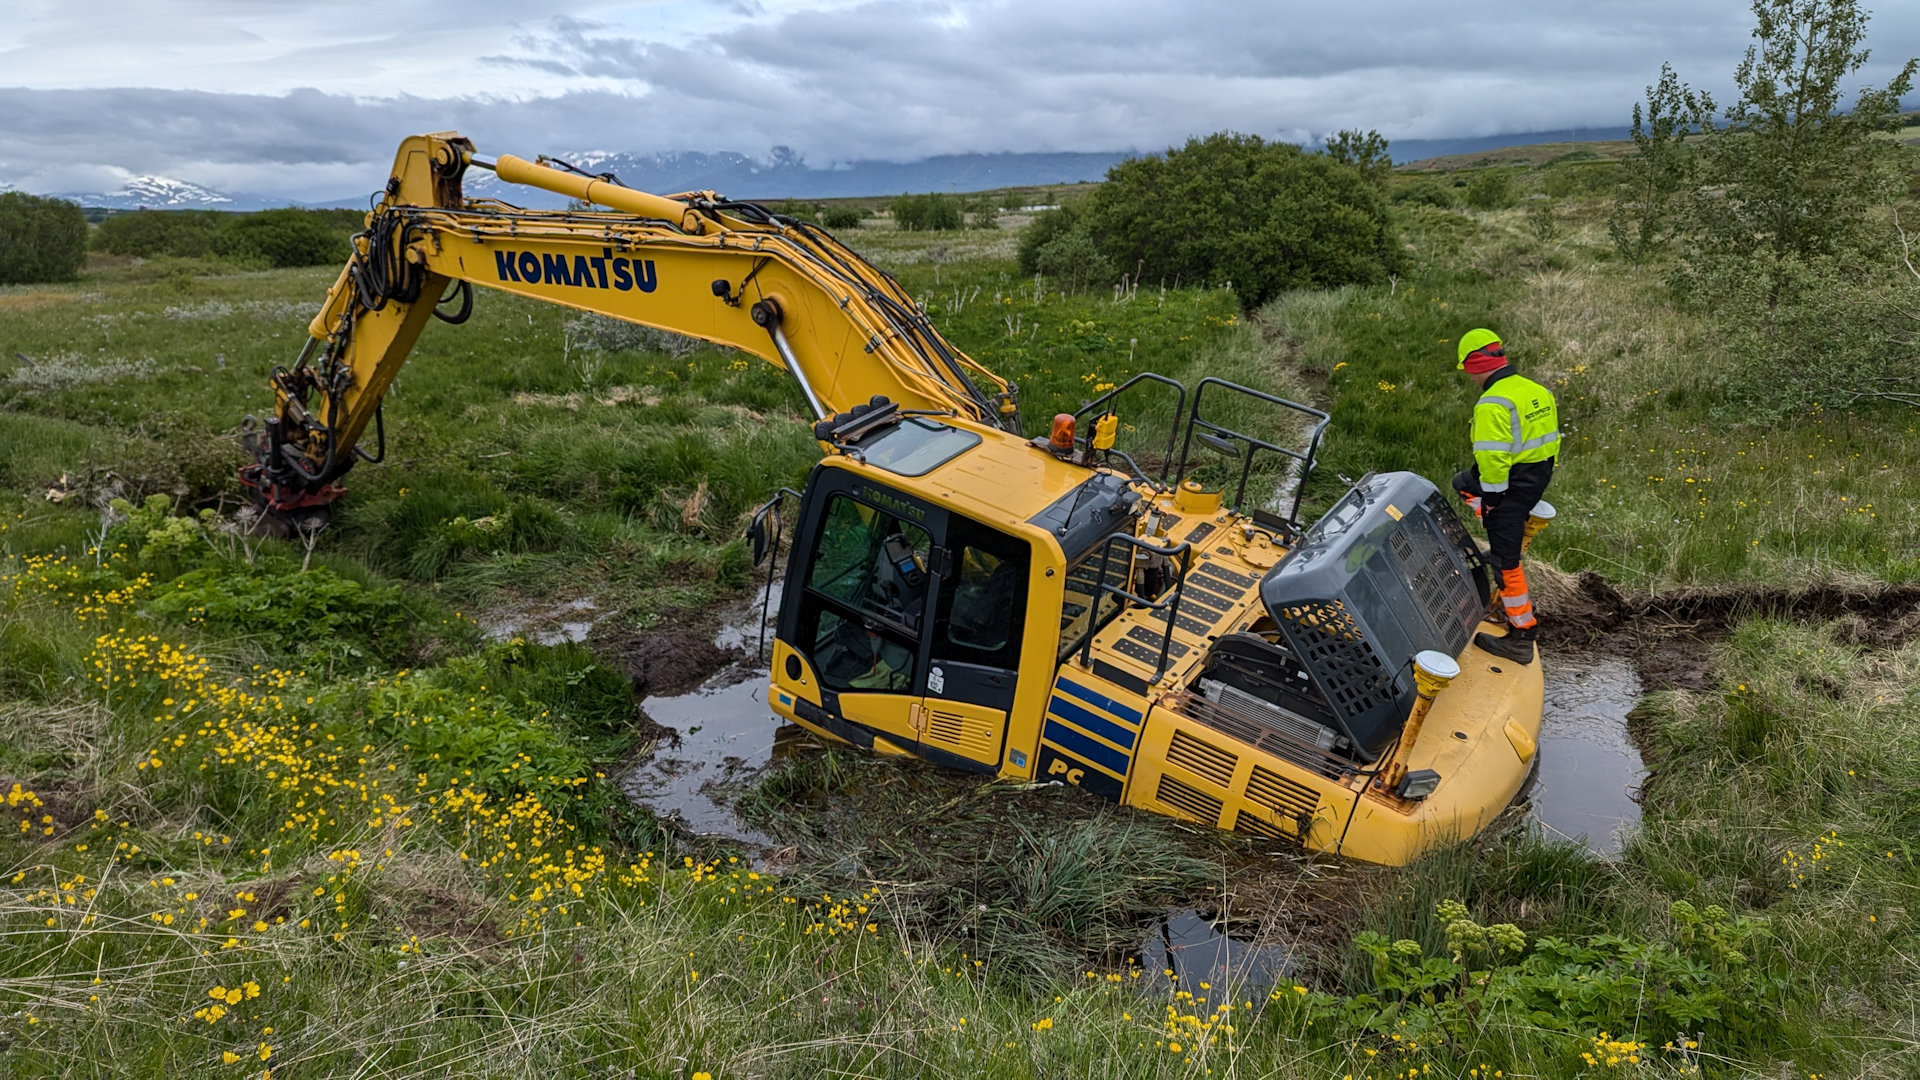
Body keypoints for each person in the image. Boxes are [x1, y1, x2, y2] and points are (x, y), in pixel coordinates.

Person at [1451, 328, 1557, 665]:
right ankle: (1498, 534)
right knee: (1463, 481)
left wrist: (1493, 503)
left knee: (1506, 564)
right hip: (1535, 478)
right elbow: (1549, 443)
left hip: (1509, 489)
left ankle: (1522, 634)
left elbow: (1493, 462)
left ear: (1471, 366)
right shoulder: (1534, 390)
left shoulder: (1491, 404)